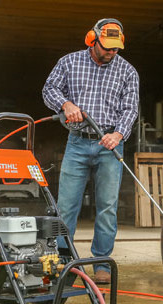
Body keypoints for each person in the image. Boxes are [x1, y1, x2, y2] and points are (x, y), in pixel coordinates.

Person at [42, 18, 139, 284]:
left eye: (116, 48)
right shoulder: (69, 62)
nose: (111, 52)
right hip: (77, 142)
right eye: (107, 47)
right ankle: (65, 261)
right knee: (66, 206)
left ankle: (101, 262)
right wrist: (65, 104)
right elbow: (48, 89)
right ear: (92, 39)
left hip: (110, 143)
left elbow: (130, 109)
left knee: (107, 207)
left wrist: (118, 134)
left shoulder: (128, 71)